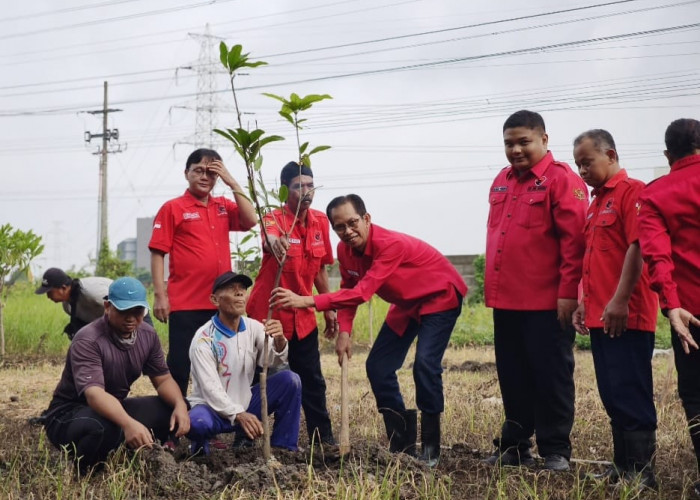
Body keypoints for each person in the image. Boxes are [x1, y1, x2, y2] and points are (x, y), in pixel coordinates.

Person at [270, 194, 467, 467]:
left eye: (353, 223)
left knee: (424, 365)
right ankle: (402, 444)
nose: (348, 232)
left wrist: (308, 301)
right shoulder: (344, 250)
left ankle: (431, 447)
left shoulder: (390, 245)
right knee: (377, 367)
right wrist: (344, 332)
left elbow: (363, 293)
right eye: (340, 227)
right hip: (406, 304)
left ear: (366, 219)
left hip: (439, 297)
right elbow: (350, 289)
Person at [483, 110, 588, 471]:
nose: (515, 150)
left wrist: (569, 294)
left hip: (547, 302)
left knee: (551, 375)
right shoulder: (502, 180)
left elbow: (574, 243)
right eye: (509, 143)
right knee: (512, 374)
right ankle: (514, 445)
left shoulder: (562, 180)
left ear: (544, 139)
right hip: (507, 300)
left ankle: (555, 449)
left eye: (523, 142)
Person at [571, 129, 658, 487]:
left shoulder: (632, 192)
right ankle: (622, 466)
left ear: (611, 154)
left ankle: (642, 473)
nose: (582, 170)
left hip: (628, 316)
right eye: (578, 165)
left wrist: (620, 300)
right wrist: (581, 302)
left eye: (587, 162)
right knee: (612, 394)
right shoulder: (594, 203)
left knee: (631, 392)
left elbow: (637, 247)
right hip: (600, 316)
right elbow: (591, 261)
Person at [41, 277, 190, 473]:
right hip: (69, 412)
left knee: (174, 407)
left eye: (136, 311)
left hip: (113, 406)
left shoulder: (148, 335)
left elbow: (162, 380)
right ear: (107, 307)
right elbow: (94, 395)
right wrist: (128, 424)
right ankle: (88, 470)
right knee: (104, 427)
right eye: (123, 311)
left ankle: (146, 454)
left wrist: (179, 405)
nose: (130, 318)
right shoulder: (88, 339)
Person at [149, 148, 256, 396]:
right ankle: (172, 430)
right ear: (186, 173)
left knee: (220, 367)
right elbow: (157, 253)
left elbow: (250, 220)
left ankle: (208, 426)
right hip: (186, 304)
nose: (205, 176)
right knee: (179, 366)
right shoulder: (173, 208)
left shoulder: (223, 206)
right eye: (198, 170)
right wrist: (160, 295)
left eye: (211, 172)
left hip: (221, 304)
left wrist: (231, 179)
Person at [246, 161, 337, 446]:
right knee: (256, 378)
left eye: (311, 185)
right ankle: (243, 439)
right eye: (300, 186)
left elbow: (321, 269)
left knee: (312, 381)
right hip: (267, 315)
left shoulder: (321, 222)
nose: (307, 191)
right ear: (287, 189)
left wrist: (328, 307)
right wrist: (276, 242)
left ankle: (323, 442)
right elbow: (270, 238)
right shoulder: (272, 218)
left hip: (303, 317)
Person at [637, 118, 700, 495]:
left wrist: (671, 304)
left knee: (695, 395)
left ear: (667, 154)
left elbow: (656, 256)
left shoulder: (655, 194)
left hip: (689, 314)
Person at [187, 271, 301, 455]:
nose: (240, 293)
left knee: (290, 380)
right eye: (232, 289)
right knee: (197, 423)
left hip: (246, 404)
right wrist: (238, 414)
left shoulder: (253, 327)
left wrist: (279, 339)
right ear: (215, 300)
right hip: (211, 409)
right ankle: (200, 451)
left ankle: (284, 448)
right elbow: (210, 388)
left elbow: (271, 361)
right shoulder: (204, 339)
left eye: (242, 289)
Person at [35, 268, 153, 339]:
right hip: (113, 324)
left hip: (136, 315)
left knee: (146, 355)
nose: (48, 296)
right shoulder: (68, 306)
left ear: (63, 288)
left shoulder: (92, 292)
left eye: (49, 292)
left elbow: (124, 305)